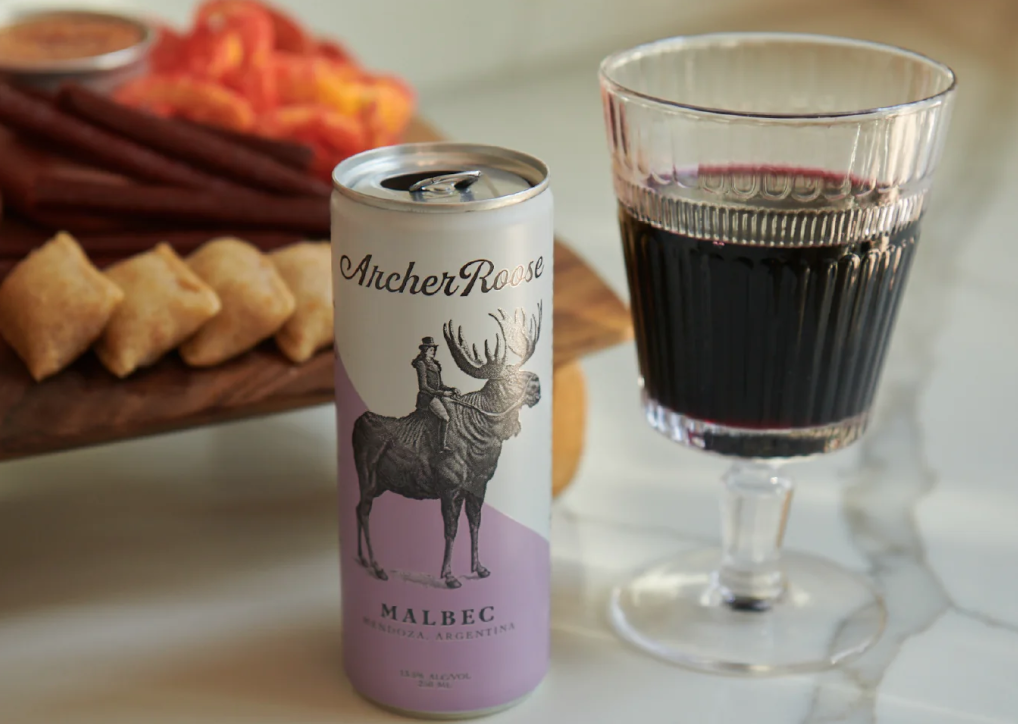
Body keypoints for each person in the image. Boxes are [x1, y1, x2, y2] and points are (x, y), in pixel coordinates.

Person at [411, 337, 460, 453]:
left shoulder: (435, 365)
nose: (433, 351)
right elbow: (423, 387)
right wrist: (442, 393)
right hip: (427, 398)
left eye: (434, 349)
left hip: (435, 395)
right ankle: (441, 447)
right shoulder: (421, 364)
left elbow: (440, 384)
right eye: (430, 349)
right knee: (445, 417)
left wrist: (452, 389)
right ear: (425, 350)